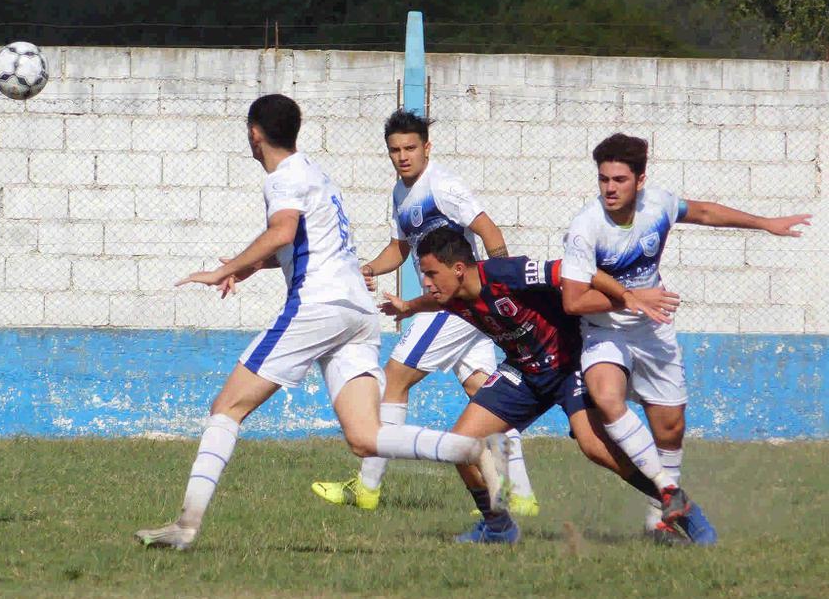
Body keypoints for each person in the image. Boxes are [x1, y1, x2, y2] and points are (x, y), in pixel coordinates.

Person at [134, 95, 505, 550]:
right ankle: (466, 450)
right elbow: (301, 244)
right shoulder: (315, 173)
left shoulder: (283, 179)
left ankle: (185, 527)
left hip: (319, 306)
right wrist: (248, 267)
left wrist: (224, 270)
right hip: (357, 311)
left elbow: (283, 233)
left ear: (254, 134)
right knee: (365, 438)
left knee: (226, 409)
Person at [560, 133, 812, 544]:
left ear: (640, 181)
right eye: (603, 179)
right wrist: (629, 299)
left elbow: (705, 212)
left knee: (671, 428)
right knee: (607, 396)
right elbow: (573, 300)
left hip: (653, 329)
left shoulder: (657, 204)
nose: (609, 188)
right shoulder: (586, 228)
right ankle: (671, 493)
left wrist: (765, 224)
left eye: (619, 179)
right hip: (605, 330)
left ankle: (659, 521)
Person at [380, 227, 691, 544]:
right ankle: (499, 527)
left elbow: (570, 269)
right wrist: (408, 307)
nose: (427, 282)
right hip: (524, 373)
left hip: (570, 365)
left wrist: (628, 297)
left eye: (431, 274)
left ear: (458, 269)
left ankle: (676, 504)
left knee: (596, 447)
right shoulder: (451, 295)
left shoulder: (505, 273)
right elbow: (434, 301)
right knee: (459, 445)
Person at [312, 110, 541, 517]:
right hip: (461, 309)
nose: (403, 156)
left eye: (410, 148)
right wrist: (365, 269)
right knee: (483, 393)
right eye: (395, 150)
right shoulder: (401, 194)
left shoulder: (444, 186)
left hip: (453, 303)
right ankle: (518, 496)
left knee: (395, 378)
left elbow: (489, 232)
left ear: (427, 148)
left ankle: (366, 487)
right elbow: (400, 249)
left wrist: (502, 289)